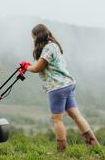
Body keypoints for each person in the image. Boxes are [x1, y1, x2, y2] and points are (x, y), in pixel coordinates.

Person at [20, 24, 99, 152]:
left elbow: (37, 68)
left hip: (57, 87)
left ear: (37, 36)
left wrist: (26, 67)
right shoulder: (54, 45)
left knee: (57, 119)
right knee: (75, 115)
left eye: (33, 37)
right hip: (68, 84)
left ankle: (61, 151)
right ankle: (93, 145)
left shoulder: (47, 49)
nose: (33, 40)